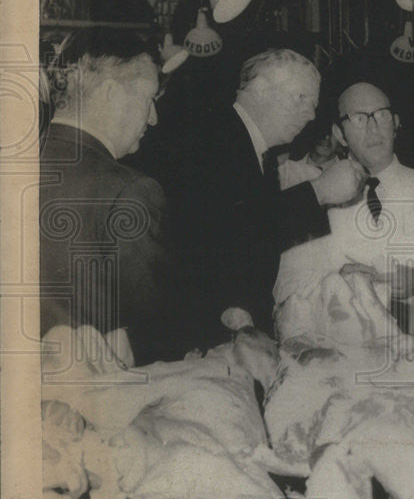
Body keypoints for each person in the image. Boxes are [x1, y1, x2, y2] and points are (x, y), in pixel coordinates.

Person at [155, 48, 366, 351]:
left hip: (231, 329)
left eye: (314, 104)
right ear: (261, 88)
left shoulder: (254, 151)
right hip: (204, 333)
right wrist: (317, 192)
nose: (310, 114)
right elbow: (224, 232)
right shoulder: (214, 137)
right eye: (301, 99)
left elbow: (251, 236)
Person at [272, 81, 414, 366]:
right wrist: (338, 282)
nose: (373, 128)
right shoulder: (316, 197)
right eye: (359, 118)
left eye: (381, 115)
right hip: (343, 368)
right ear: (340, 134)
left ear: (396, 123)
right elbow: (285, 287)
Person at [39, 31, 171, 364]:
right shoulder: (130, 190)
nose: (154, 118)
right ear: (111, 94)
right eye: (150, 98)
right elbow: (150, 335)